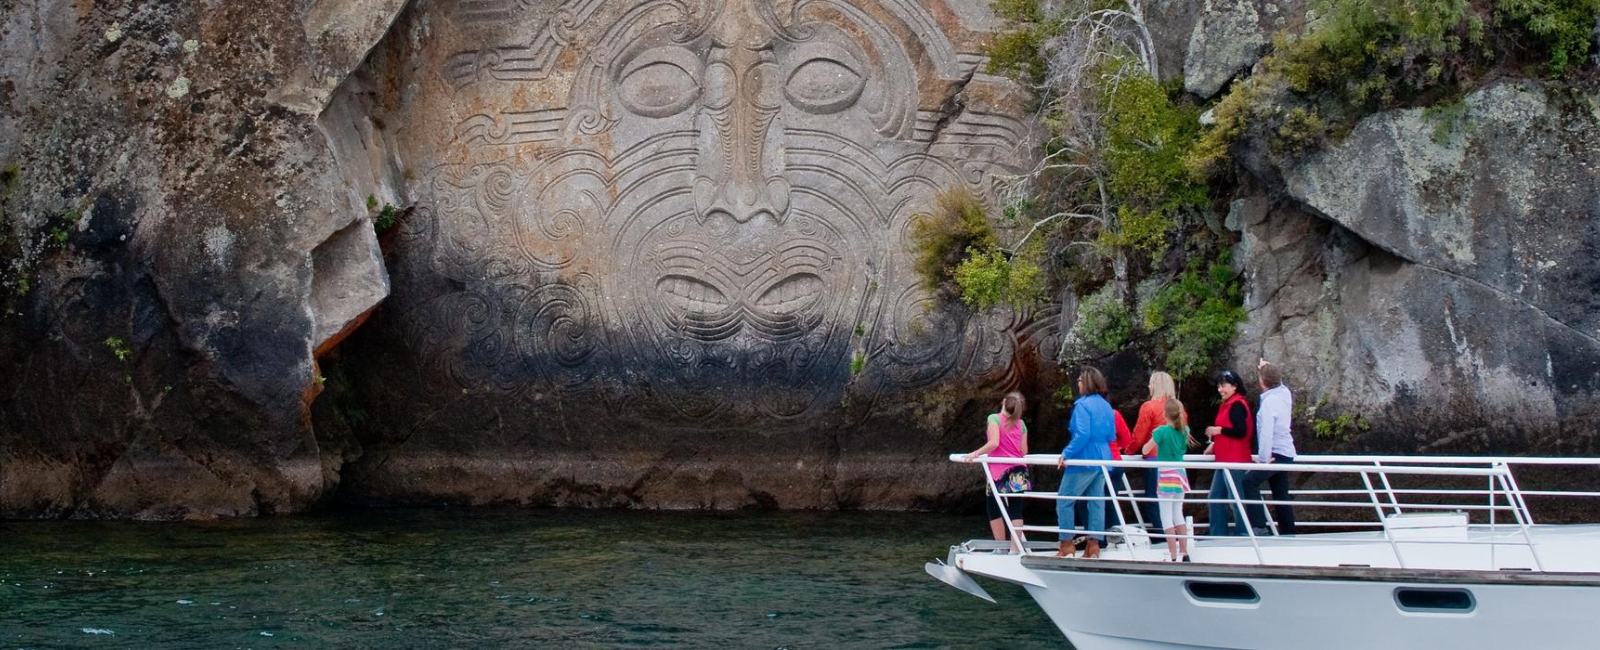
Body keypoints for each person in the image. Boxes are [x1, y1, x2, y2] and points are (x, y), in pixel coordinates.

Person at [1056, 368, 1116, 558]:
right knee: (1096, 501)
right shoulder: (1106, 406)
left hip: (1085, 458)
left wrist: (1066, 453)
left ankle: (1066, 544)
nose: (1078, 383)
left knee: (1064, 500)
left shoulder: (1082, 405)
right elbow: (1111, 435)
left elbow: (1082, 434)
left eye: (1080, 380)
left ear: (1088, 383)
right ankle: (1093, 545)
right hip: (1103, 459)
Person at [963, 392, 1030, 549]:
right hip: (1018, 470)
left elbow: (994, 443)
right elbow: (1024, 450)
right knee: (1016, 508)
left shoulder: (994, 418)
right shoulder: (1022, 424)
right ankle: (1015, 549)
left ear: (1004, 402)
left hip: (998, 470)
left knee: (993, 507)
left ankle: (1000, 546)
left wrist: (975, 453)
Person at [1241, 361, 1297, 535]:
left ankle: (1259, 526)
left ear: (1261, 381)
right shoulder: (1285, 394)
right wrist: (1267, 367)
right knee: (1280, 493)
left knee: (1248, 481)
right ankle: (1288, 531)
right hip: (1287, 452)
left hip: (1276, 453)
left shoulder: (1269, 402)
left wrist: (1263, 459)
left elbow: (1266, 433)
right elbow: (1280, 383)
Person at [1203, 370, 1254, 537]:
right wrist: (1216, 444)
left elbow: (1241, 431)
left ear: (1234, 386)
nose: (1220, 389)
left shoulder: (1237, 405)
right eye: (1219, 386)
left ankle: (1243, 533)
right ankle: (1218, 534)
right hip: (1225, 460)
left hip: (1235, 460)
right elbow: (1233, 432)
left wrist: (1219, 430)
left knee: (1236, 499)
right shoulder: (1229, 404)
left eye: (1223, 385)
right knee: (1215, 498)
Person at [1143, 397, 1195, 561]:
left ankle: (1173, 554)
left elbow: (1145, 449)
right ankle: (1184, 552)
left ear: (1165, 414)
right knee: (1178, 513)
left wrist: (1154, 436)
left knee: (1166, 516)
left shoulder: (1161, 432)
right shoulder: (1185, 430)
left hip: (1166, 475)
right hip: (1180, 474)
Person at [1127, 372, 1181, 528]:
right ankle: (1177, 536)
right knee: (1174, 503)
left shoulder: (1149, 407)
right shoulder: (1178, 407)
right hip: (1175, 460)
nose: (1148, 387)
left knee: (1154, 500)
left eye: (1151, 384)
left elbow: (1139, 435)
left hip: (1155, 460)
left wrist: (1129, 451)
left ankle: (1163, 537)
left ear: (1156, 386)